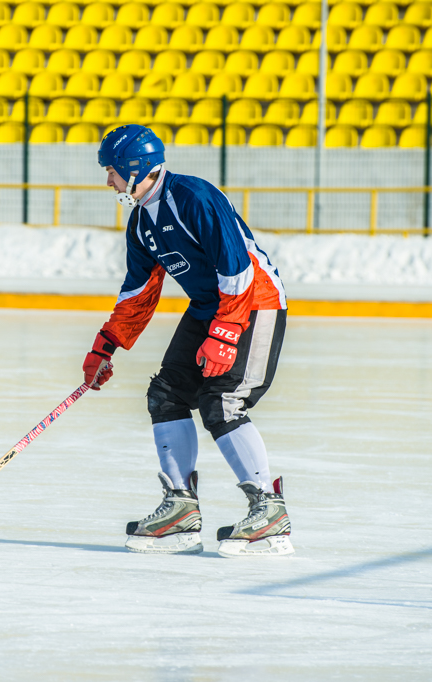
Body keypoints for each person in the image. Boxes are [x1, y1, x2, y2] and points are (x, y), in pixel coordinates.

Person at [82, 125, 293, 558]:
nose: (108, 182)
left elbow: (237, 268)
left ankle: (269, 512)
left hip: (255, 302)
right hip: (209, 306)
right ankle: (181, 508)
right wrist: (107, 344)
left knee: (223, 401)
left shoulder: (194, 197)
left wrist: (226, 333)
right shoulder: (142, 220)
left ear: (133, 167)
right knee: (166, 394)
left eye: (111, 172)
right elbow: (139, 291)